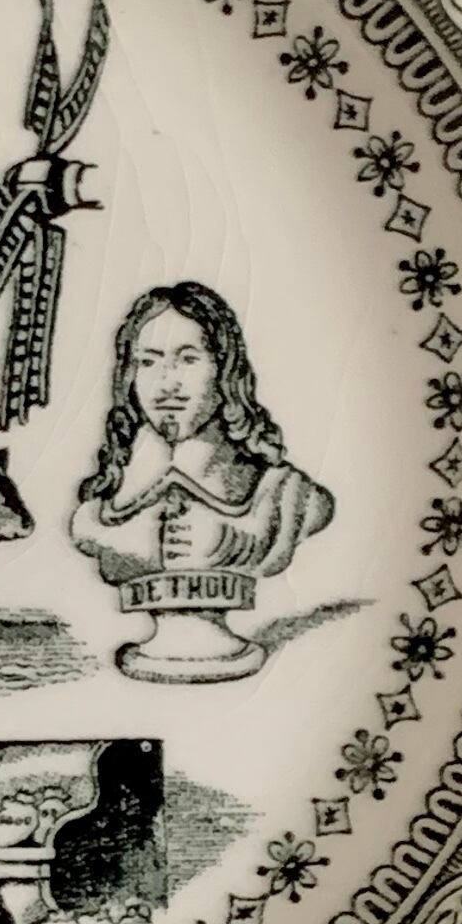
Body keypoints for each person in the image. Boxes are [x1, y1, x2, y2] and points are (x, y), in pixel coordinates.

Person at [68, 282, 332, 682]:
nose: (167, 382)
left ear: (225, 369)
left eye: (188, 359)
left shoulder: (284, 494)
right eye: (148, 362)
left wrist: (233, 541)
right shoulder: (103, 507)